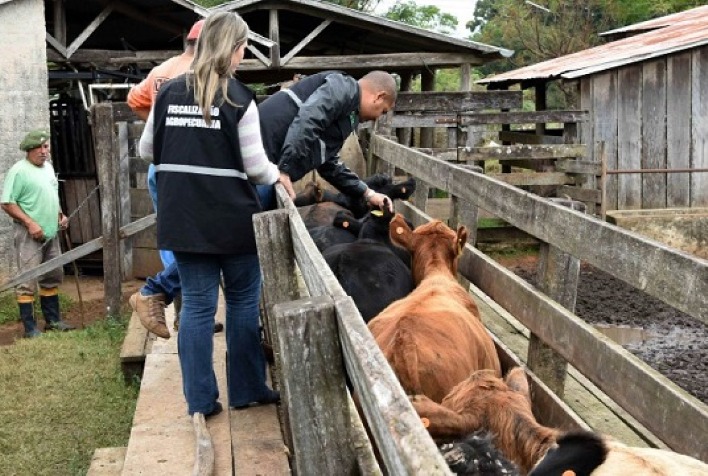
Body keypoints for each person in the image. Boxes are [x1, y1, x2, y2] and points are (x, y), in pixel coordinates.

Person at [138, 11, 287, 415]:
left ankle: (201, 401)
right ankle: (246, 388)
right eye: (243, 49)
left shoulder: (167, 93)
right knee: (241, 302)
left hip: (184, 219)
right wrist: (279, 175)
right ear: (235, 49)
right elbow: (257, 168)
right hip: (232, 222)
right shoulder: (239, 97)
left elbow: (146, 151)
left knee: (199, 308)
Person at [127, 19, 223, 338]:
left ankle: (184, 315)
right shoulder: (200, 73)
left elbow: (134, 101)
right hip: (187, 169)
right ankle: (186, 314)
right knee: (200, 241)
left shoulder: (163, 70)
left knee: (174, 240)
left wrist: (161, 129)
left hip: (160, 164)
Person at [256, 69, 398, 211]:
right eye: (383, 111)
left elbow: (328, 163)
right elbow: (308, 121)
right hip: (256, 153)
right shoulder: (343, 87)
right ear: (379, 97)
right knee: (250, 217)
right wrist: (285, 169)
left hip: (270, 165)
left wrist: (368, 193)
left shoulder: (349, 116)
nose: (377, 118)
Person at [1, 130, 76, 338]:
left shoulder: (49, 168)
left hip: (51, 231)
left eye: (46, 147)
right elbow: (7, 203)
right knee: (27, 280)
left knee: (52, 275)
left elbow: (52, 194)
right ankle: (31, 328)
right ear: (29, 150)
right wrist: (30, 222)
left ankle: (53, 321)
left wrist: (60, 215)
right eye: (39, 148)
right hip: (29, 234)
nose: (44, 152)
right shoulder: (19, 171)